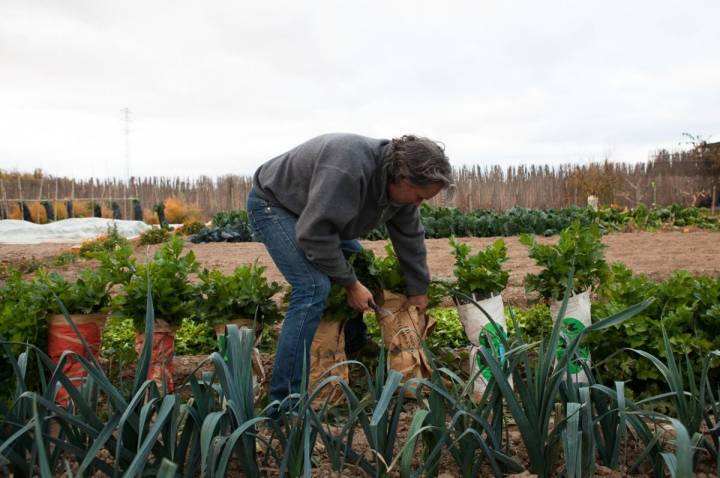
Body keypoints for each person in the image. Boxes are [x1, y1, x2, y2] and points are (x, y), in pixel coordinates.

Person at [247, 133, 453, 408]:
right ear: (403, 178)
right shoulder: (347, 169)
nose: (418, 204)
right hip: (276, 205)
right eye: (418, 196)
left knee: (362, 269)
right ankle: (283, 402)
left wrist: (418, 290)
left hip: (319, 212)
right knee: (313, 288)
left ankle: (356, 351)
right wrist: (349, 284)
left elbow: (410, 238)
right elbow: (315, 234)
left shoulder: (402, 192)